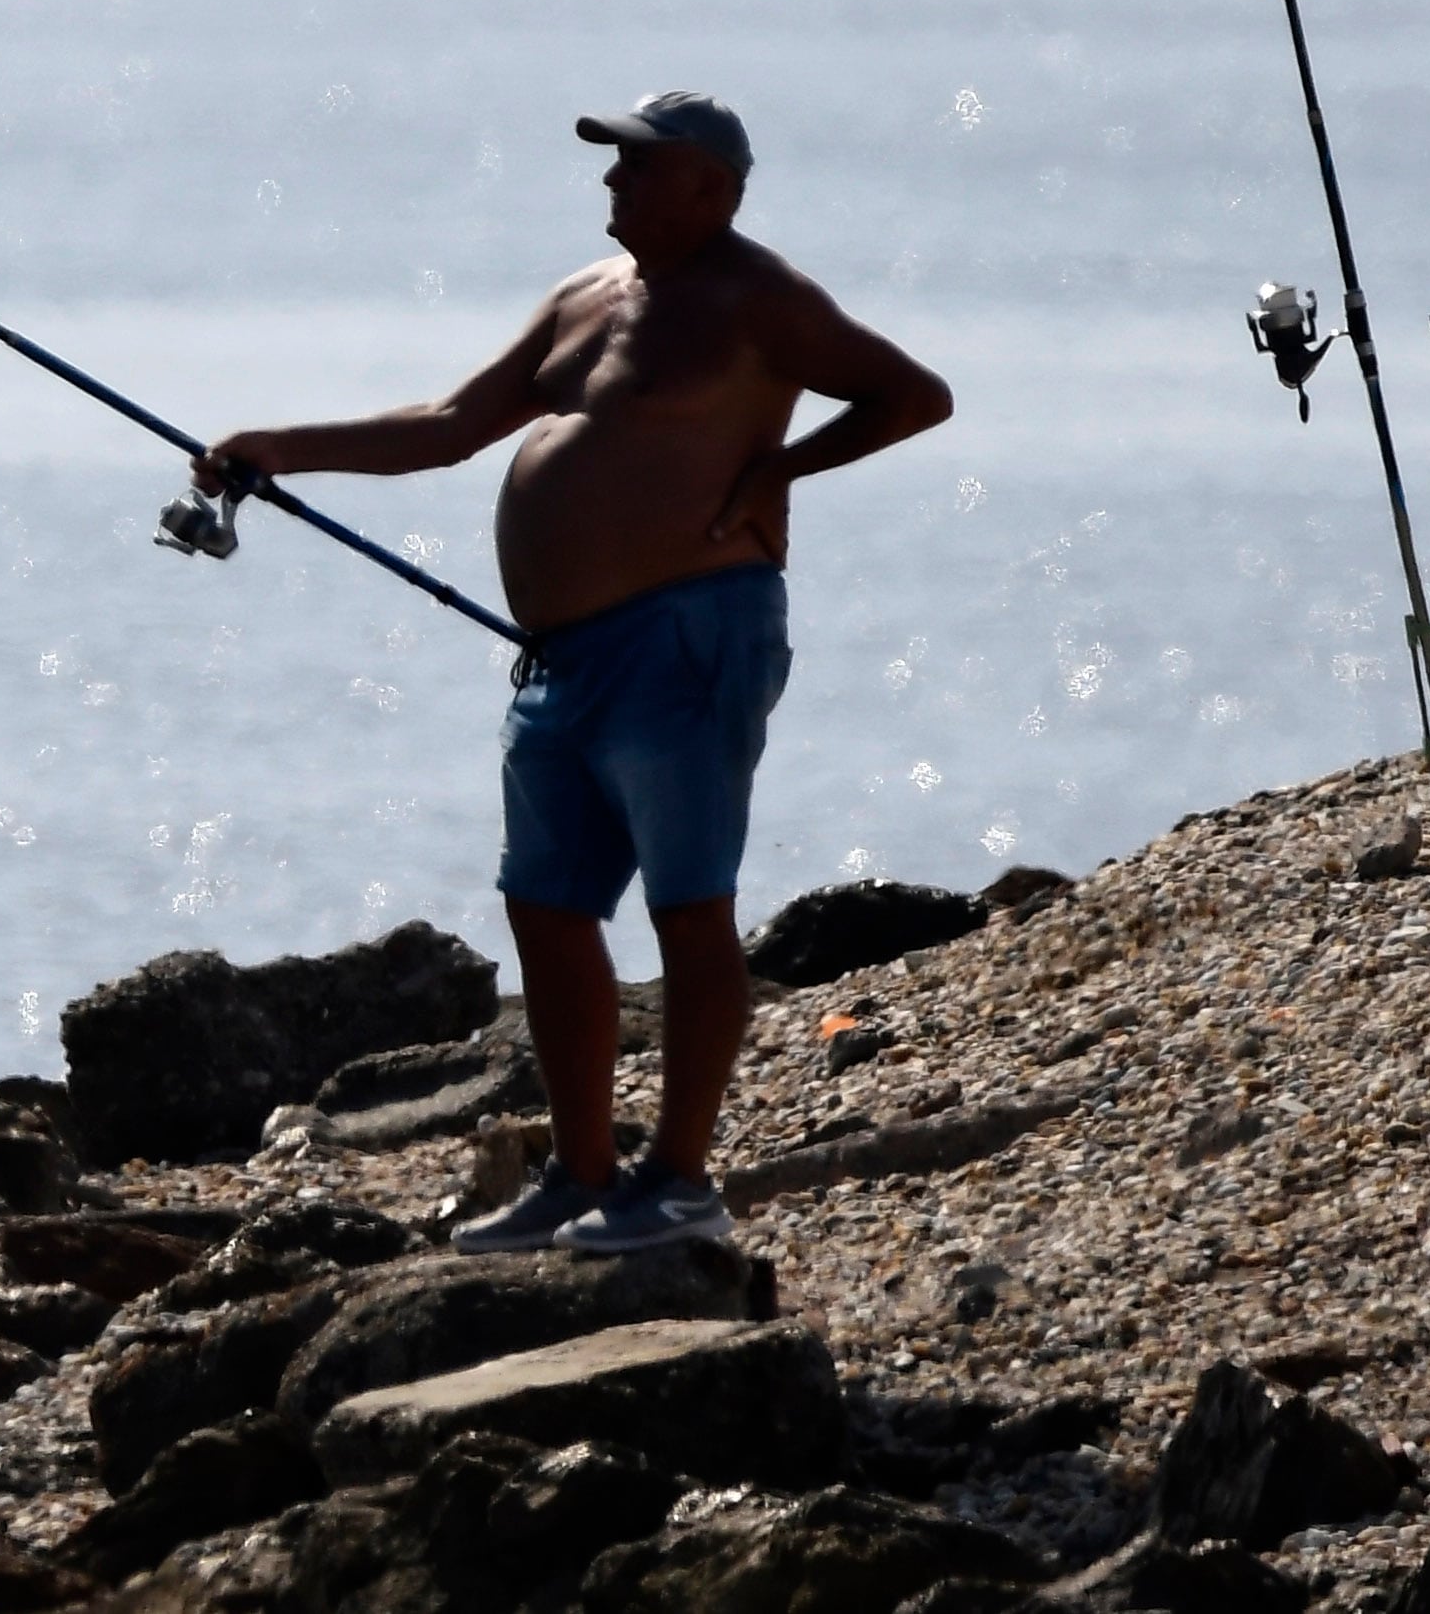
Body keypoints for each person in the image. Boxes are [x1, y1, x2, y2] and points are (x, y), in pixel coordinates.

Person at [200, 92, 950, 1255]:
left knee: (687, 908)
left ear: (708, 186)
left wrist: (779, 473)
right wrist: (283, 450)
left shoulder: (763, 300)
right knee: (543, 908)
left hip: (692, 637)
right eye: (611, 167)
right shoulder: (583, 298)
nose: (611, 185)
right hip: (561, 661)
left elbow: (913, 396)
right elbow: (452, 423)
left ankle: (681, 1181)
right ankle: (581, 1170)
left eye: (636, 169)